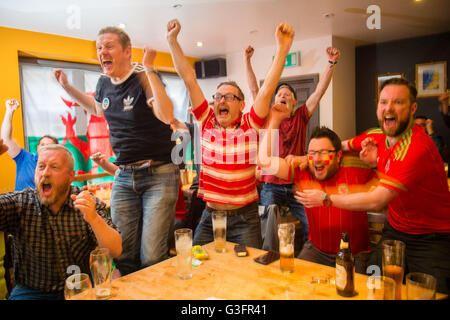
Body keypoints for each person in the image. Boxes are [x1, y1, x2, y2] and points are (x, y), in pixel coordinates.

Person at [297, 78, 450, 294]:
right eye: (384, 102)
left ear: (413, 108)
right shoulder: (375, 136)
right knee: (371, 285)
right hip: (396, 229)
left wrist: (326, 198)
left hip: (430, 238)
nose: (389, 108)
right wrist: (309, 156)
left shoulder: (416, 147)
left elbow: (376, 200)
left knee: (427, 293)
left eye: (398, 102)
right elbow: (339, 146)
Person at [54, 27, 179, 276]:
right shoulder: (103, 83)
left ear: (127, 51)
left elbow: (166, 115)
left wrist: (150, 69)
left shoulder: (144, 75)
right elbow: (96, 107)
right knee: (123, 253)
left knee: (152, 255)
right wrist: (67, 87)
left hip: (159, 172)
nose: (102, 52)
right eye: (99, 48)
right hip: (124, 176)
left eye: (108, 46)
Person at [166, 19, 294, 248]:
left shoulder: (250, 124)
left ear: (242, 105)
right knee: (199, 268)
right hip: (210, 215)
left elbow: (265, 91)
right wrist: (172, 41)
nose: (221, 101)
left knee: (247, 276)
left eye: (228, 97)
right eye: (217, 97)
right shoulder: (206, 121)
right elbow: (188, 78)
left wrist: (282, 50)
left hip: (245, 218)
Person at [259, 102, 378, 272]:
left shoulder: (357, 169)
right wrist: (275, 120)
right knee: (293, 287)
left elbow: (386, 147)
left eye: (323, 153)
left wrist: (374, 162)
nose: (317, 159)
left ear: (338, 156)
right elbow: (264, 160)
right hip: (316, 251)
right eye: (312, 153)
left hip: (354, 254)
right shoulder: (303, 171)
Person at [0, 144, 122, 300]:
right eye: (41, 166)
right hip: (31, 291)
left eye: (54, 167)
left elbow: (115, 250)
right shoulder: (21, 202)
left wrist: (93, 218)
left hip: (80, 286)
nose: (45, 173)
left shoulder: (86, 202)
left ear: (70, 176)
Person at [258, 47, 340, 245]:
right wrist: (246, 60)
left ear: (294, 102)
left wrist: (331, 64)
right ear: (275, 101)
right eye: (280, 94)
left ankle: (310, 254)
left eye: (288, 94)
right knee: (267, 228)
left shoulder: (301, 116)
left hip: (297, 182)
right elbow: (256, 90)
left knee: (312, 223)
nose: (283, 96)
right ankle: (269, 259)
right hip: (271, 184)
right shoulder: (268, 118)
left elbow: (319, 91)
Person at [1, 99, 59, 190]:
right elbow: (6, 139)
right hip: (20, 203)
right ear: (37, 147)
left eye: (49, 146)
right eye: (42, 145)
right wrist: (9, 111)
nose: (45, 148)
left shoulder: (59, 168)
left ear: (56, 151)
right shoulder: (25, 158)